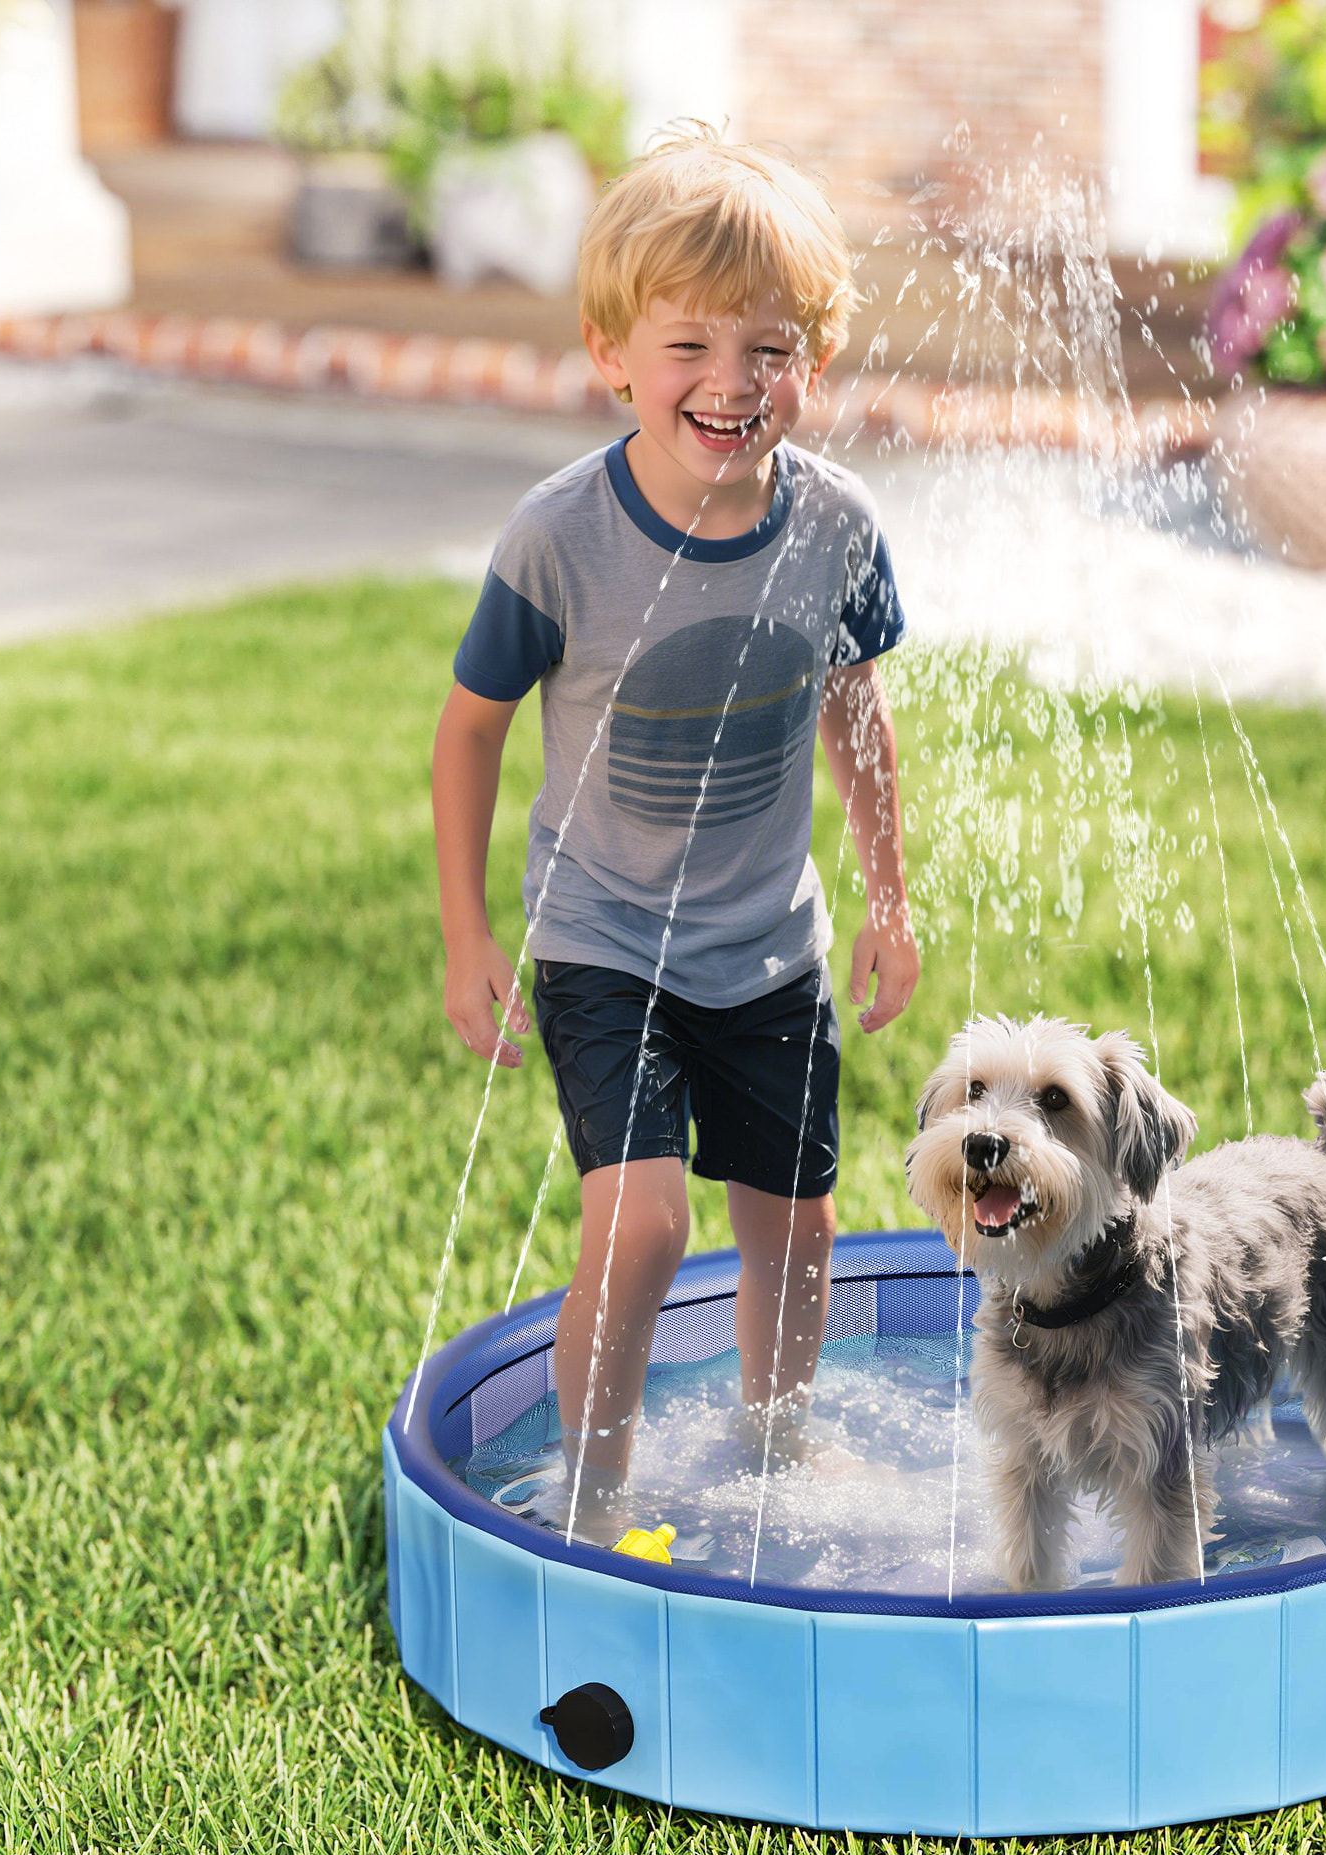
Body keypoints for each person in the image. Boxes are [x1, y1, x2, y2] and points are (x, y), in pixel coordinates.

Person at [431, 129, 918, 1544]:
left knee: (801, 1231)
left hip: (769, 948)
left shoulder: (836, 527)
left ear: (812, 363)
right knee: (643, 1228)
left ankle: (777, 1449)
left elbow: (858, 716)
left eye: (769, 349)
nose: (730, 382)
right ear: (612, 355)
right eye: (690, 344)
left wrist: (889, 898)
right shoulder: (560, 536)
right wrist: (471, 936)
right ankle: (592, 1488)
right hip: (602, 940)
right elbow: (470, 728)